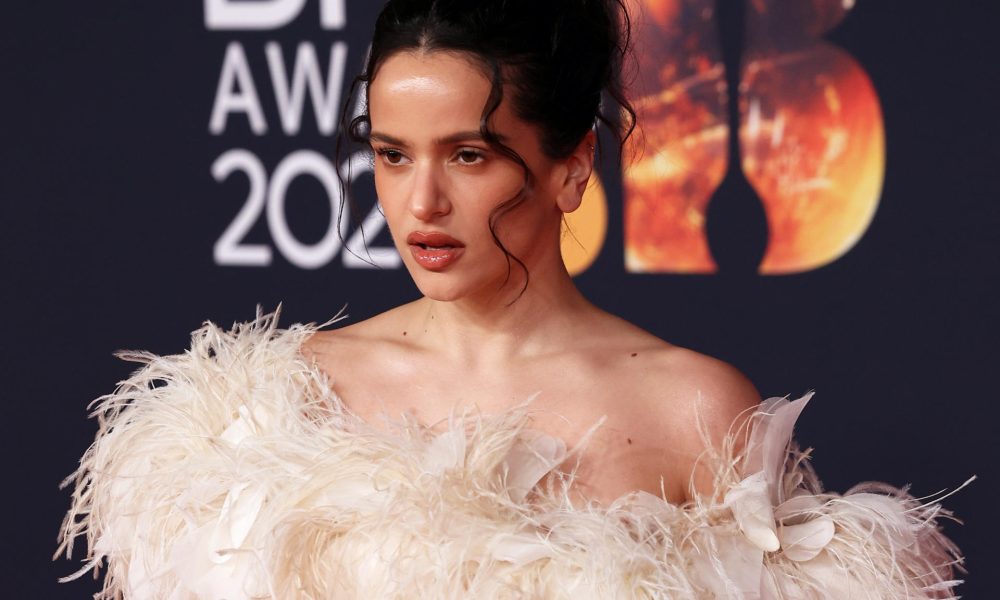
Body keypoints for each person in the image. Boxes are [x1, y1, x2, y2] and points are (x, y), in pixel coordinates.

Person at [57, 1, 964, 598]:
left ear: (572, 167)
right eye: (392, 153)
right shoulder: (287, 397)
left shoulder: (693, 409)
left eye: (469, 155)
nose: (422, 205)